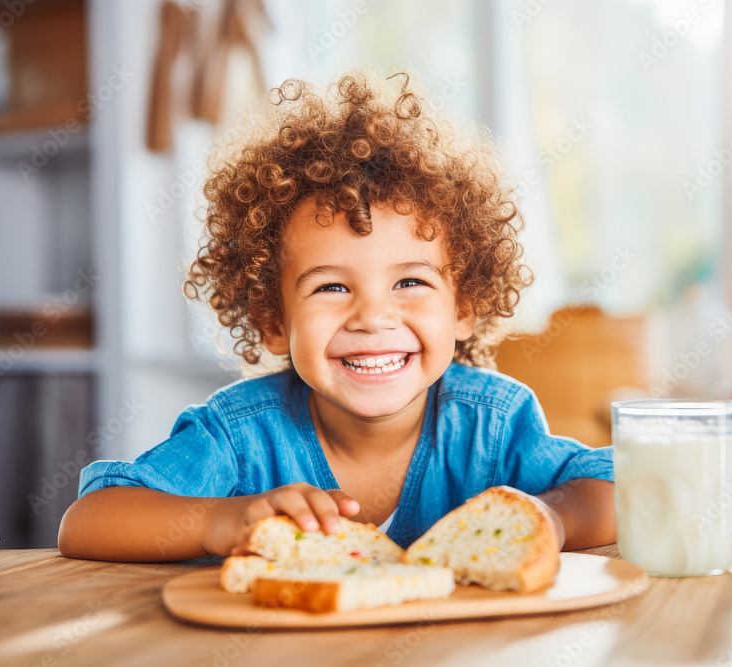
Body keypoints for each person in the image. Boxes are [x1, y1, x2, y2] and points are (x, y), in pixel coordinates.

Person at [58, 70, 615, 562]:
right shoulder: (242, 435)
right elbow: (88, 522)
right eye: (330, 287)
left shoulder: (492, 423)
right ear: (275, 321)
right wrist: (219, 522)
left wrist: (552, 517)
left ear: (463, 306)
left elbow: (614, 489)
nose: (373, 317)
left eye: (410, 282)